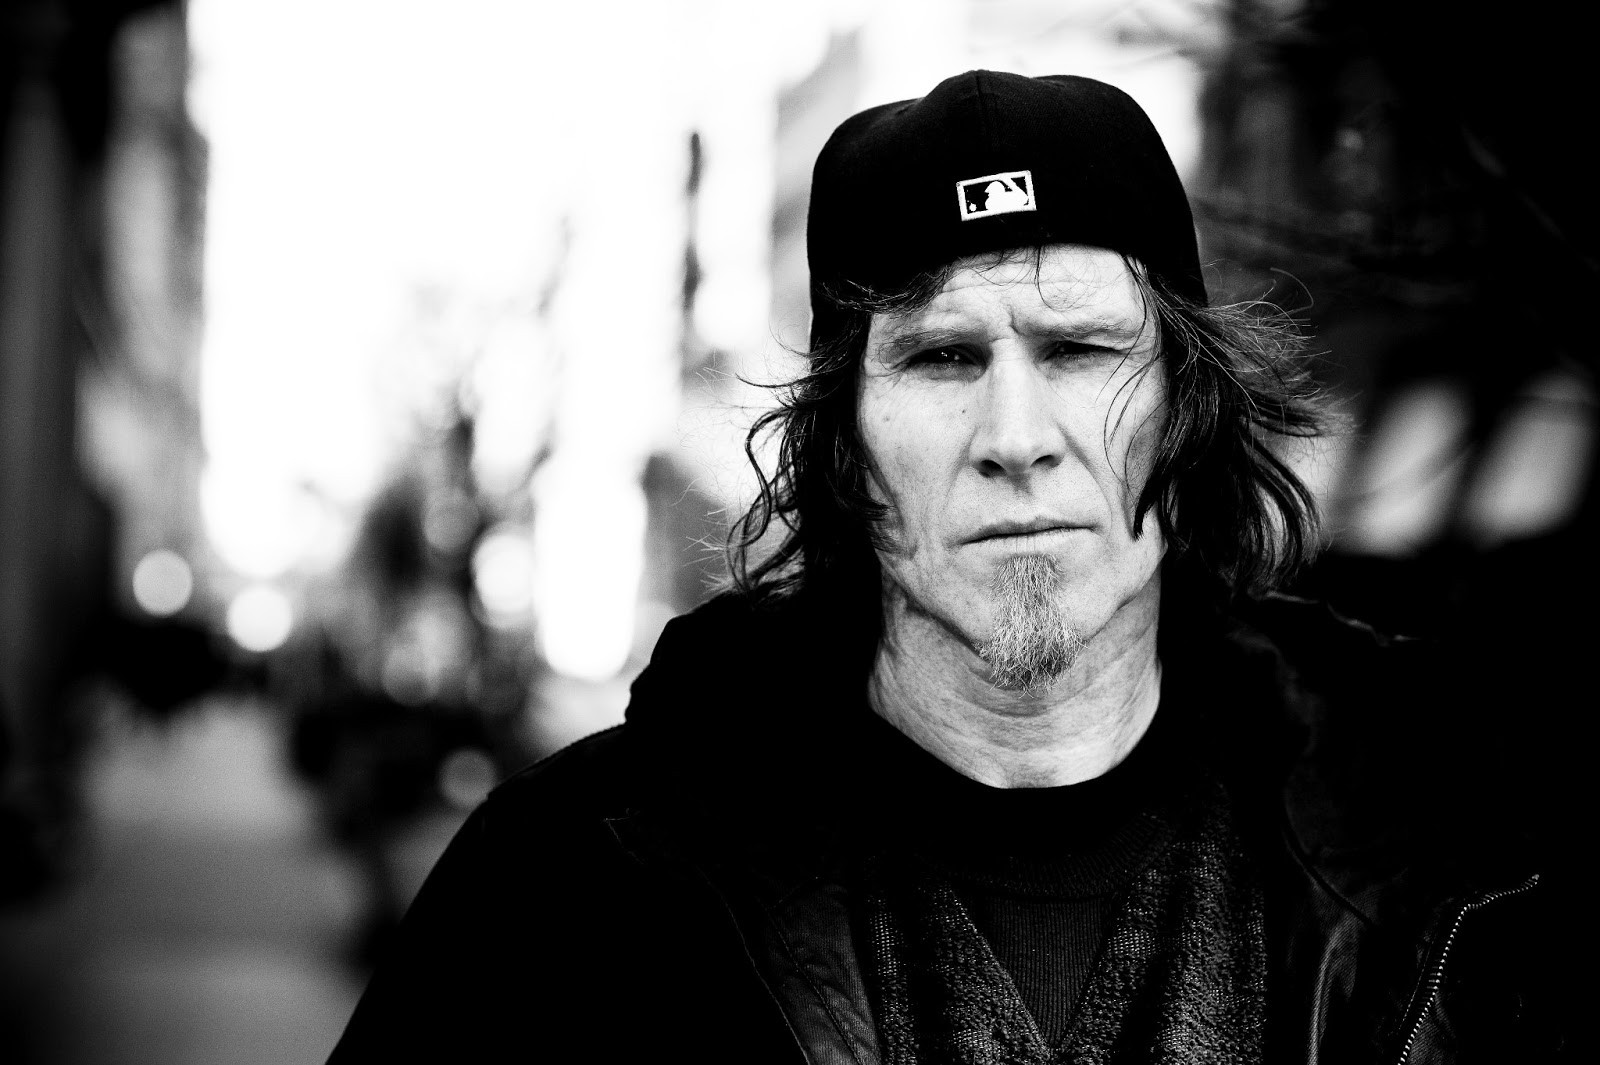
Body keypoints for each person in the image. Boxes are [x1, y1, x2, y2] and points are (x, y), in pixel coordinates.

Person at [327, 71, 1565, 1064]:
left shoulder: (1465, 866)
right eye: (941, 359)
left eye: (1079, 350)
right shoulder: (574, 886)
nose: (1016, 438)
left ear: (1189, 414)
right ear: (845, 450)